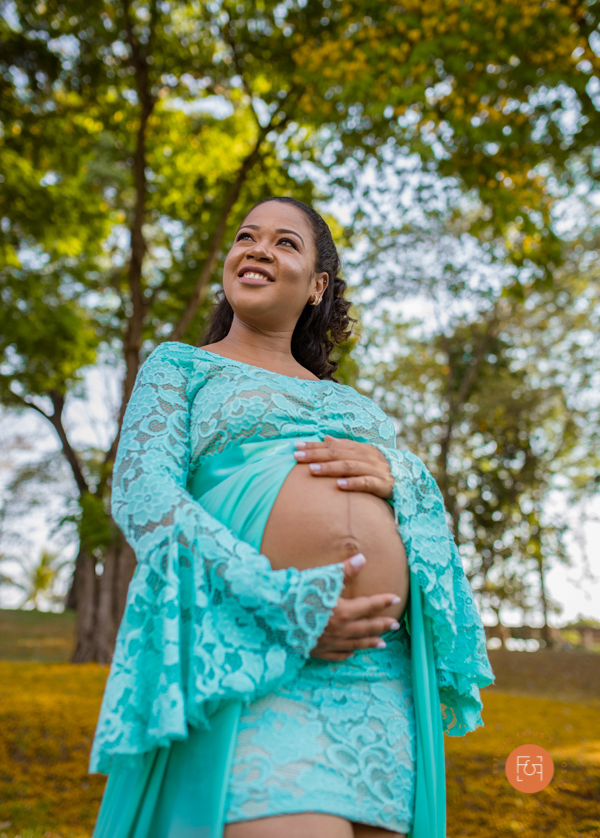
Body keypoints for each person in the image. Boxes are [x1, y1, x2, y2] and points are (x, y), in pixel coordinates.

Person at [89, 196, 495, 838]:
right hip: (253, 643)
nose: (258, 248)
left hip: (378, 671)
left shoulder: (359, 408)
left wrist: (406, 475)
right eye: (246, 236)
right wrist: (282, 601)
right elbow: (144, 495)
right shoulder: (180, 367)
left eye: (285, 242)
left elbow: (421, 525)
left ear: (318, 286)